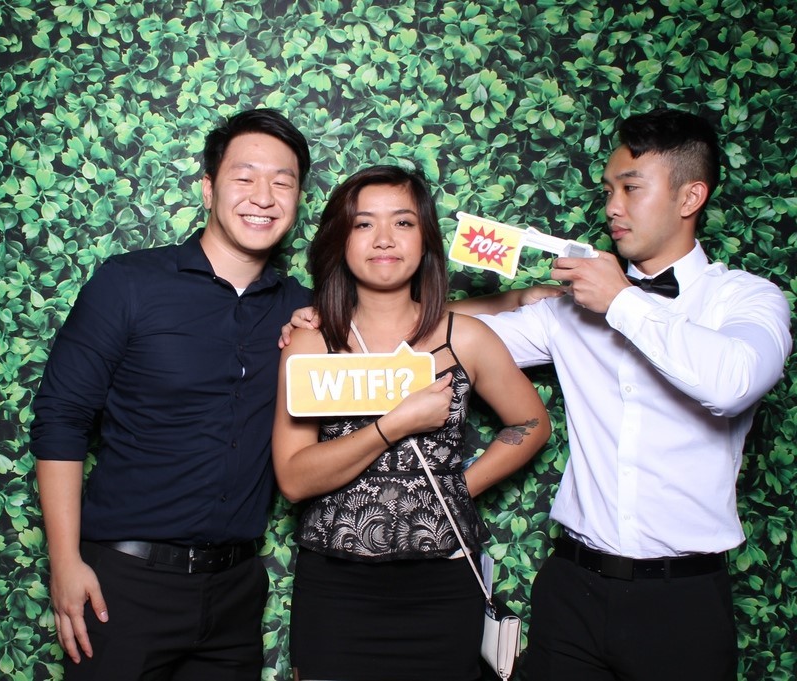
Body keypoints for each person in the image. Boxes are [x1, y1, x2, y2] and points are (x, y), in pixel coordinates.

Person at [480, 108, 793, 680]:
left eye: (631, 188)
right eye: (608, 190)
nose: (612, 207)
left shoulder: (747, 299)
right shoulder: (569, 311)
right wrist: (337, 318)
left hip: (682, 604)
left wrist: (622, 302)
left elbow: (733, 383)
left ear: (690, 196)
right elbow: (459, 345)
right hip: (572, 590)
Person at [30, 108, 313, 680]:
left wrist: (510, 301)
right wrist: (64, 562)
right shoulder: (129, 283)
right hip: (122, 587)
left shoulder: (303, 311)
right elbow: (61, 418)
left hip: (235, 592)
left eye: (282, 182)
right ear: (208, 188)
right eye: (245, 177)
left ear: (298, 199)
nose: (263, 197)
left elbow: (407, 322)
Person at [272, 165, 551, 681]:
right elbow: (292, 478)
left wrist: (456, 488)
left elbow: (532, 422)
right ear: (340, 241)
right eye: (363, 224)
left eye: (403, 222)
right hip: (337, 589)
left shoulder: (464, 338)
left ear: (425, 241)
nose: (384, 238)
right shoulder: (312, 341)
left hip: (442, 587)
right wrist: (393, 425)